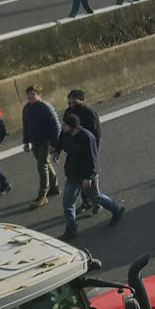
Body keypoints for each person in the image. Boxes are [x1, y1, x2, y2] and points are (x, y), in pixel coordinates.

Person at [57, 112, 123, 240]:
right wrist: (56, 150)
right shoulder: (66, 133)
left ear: (72, 126)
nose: (62, 126)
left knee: (96, 196)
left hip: (87, 175)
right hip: (73, 173)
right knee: (68, 202)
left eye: (64, 124)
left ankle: (117, 209)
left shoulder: (87, 137)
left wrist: (89, 177)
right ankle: (71, 229)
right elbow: (61, 141)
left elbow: (92, 160)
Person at [63, 89, 103, 217]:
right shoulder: (68, 112)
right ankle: (86, 202)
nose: (71, 101)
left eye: (74, 98)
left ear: (81, 100)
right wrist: (58, 147)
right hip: (75, 150)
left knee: (90, 178)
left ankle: (97, 202)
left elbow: (96, 133)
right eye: (70, 98)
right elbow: (64, 131)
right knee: (80, 177)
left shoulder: (89, 112)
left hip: (88, 148)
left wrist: (94, 150)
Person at [21, 86, 61, 208]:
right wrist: (26, 142)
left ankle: (42, 195)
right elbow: (25, 125)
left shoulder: (46, 108)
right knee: (44, 164)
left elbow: (56, 127)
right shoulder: (27, 108)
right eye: (28, 94)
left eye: (32, 94)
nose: (30, 97)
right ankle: (54, 187)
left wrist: (55, 145)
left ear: (39, 95)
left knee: (41, 166)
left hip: (46, 142)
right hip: (35, 142)